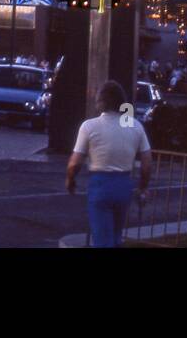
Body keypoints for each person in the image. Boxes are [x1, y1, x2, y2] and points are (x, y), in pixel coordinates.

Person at [66, 80, 152, 249]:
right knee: (115, 236)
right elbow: (147, 164)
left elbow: (74, 163)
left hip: (100, 183)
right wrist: (143, 187)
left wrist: (70, 180)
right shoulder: (135, 126)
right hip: (124, 184)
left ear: (100, 102)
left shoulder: (89, 127)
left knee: (102, 239)